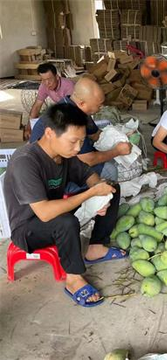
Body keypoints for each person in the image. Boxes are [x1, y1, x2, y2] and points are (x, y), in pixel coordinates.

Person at [4, 103, 127, 307]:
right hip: (27, 228)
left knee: (110, 188)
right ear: (50, 133)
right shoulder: (25, 161)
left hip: (55, 211)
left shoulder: (64, 155)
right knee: (66, 222)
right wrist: (90, 194)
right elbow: (44, 213)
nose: (78, 148)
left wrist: (99, 195)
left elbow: (88, 175)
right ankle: (73, 279)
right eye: (73, 141)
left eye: (81, 141)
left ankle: (95, 248)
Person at [30, 77, 132, 186]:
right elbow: (87, 160)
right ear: (82, 103)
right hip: (52, 169)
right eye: (99, 105)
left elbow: (95, 135)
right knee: (110, 169)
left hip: (67, 160)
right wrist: (117, 151)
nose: (102, 107)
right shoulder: (70, 117)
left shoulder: (76, 107)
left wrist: (119, 136)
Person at [25, 63, 75, 140]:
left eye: (49, 79)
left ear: (57, 77)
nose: (47, 83)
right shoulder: (44, 85)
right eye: (43, 80)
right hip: (61, 110)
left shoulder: (68, 86)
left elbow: (70, 109)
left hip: (75, 111)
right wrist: (29, 127)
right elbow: (37, 106)